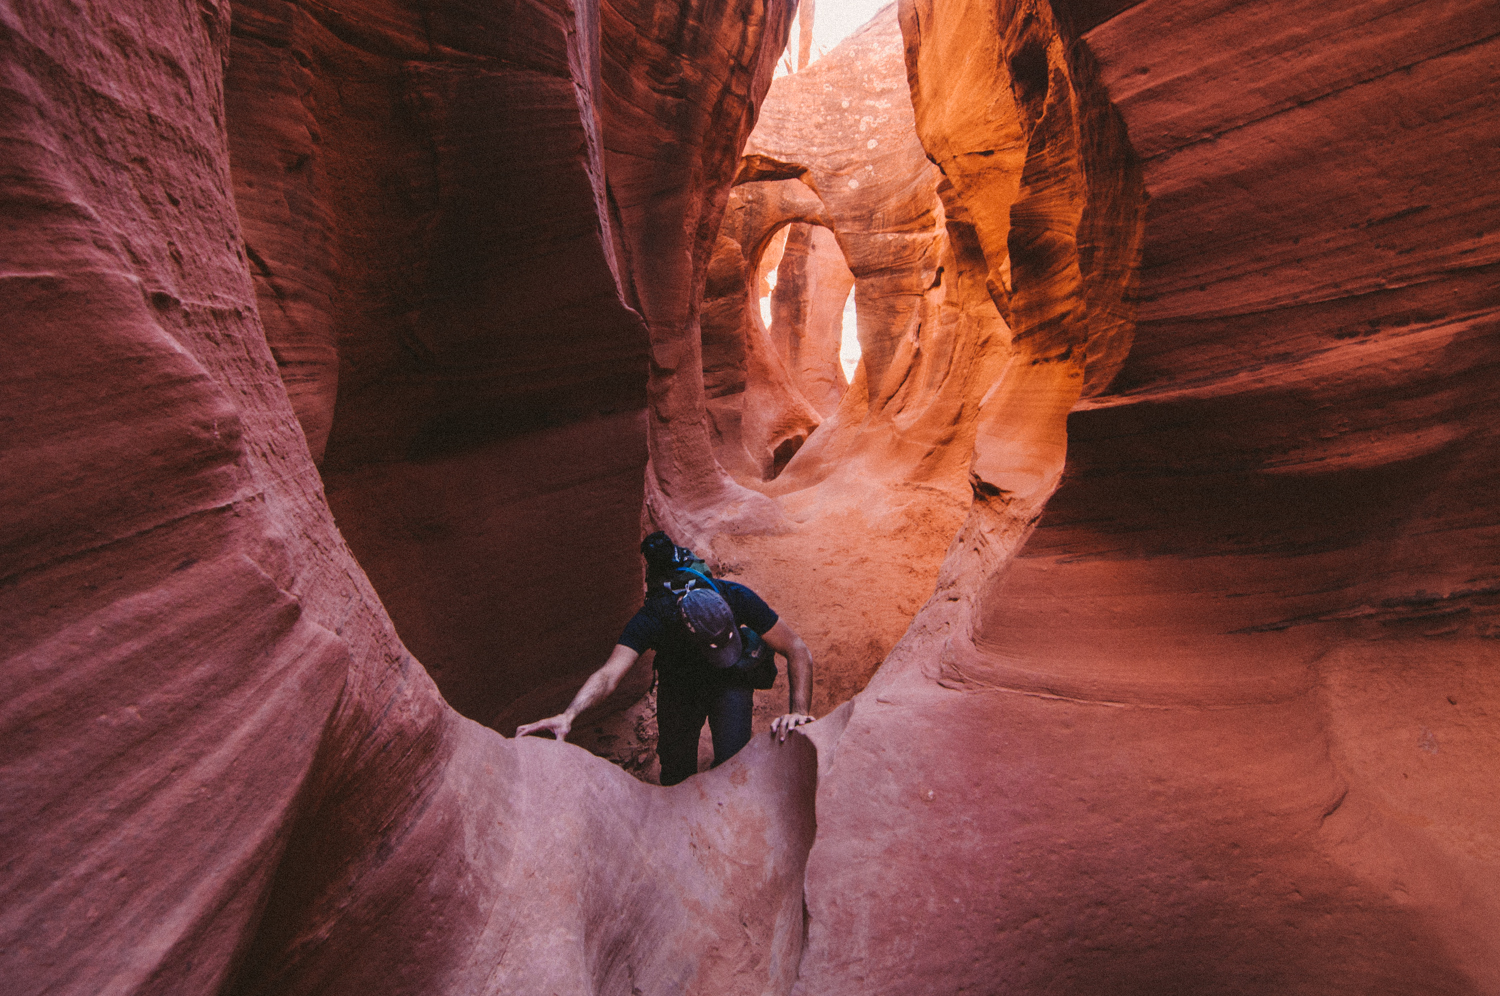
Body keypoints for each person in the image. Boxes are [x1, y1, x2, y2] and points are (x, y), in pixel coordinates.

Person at [516, 532, 815, 785]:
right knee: (675, 771)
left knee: (734, 764)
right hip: (681, 686)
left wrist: (798, 712)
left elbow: (796, 648)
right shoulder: (657, 617)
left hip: (730, 681)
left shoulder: (734, 595)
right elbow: (609, 674)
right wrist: (570, 714)